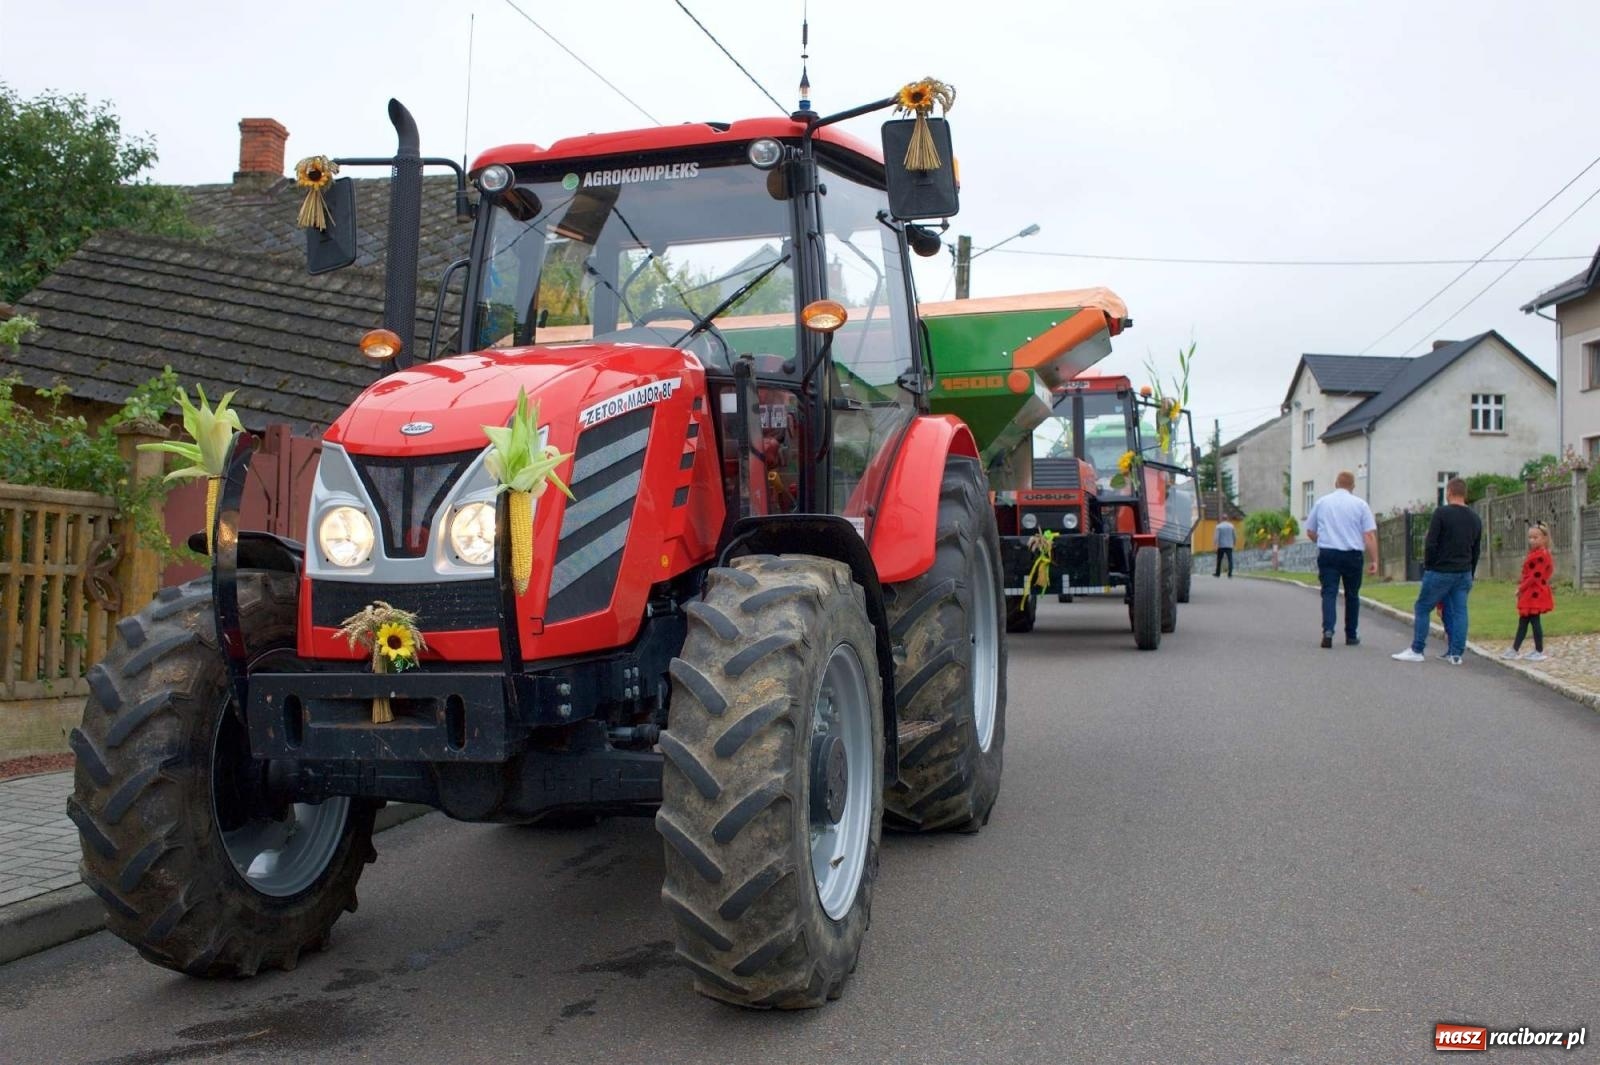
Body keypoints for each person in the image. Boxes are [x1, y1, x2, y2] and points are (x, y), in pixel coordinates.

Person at [1392, 477, 1482, 665]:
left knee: (1423, 607)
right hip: (1464, 571)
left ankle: (1417, 649)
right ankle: (1456, 653)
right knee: (1459, 611)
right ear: (1465, 494)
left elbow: (1431, 542)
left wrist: (1430, 565)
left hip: (1441, 570)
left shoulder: (1441, 513)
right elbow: (1476, 549)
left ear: (1449, 492)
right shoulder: (1475, 518)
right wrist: (1471, 572)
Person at [1305, 471, 1379, 648]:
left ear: (1336, 484)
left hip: (1329, 552)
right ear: (1353, 486)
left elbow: (1310, 530)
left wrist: (1321, 541)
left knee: (1329, 592)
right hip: (1352, 554)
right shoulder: (1360, 505)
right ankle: (1351, 634)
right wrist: (1375, 560)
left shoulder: (1322, 502)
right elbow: (1369, 534)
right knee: (1352, 595)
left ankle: (1328, 630)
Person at [1502, 521, 1555, 662]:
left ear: (1544, 538)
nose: (1532, 540)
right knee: (1525, 621)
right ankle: (1516, 649)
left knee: (1533, 620)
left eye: (1535, 537)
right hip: (1531, 592)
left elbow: (1535, 576)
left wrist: (1521, 587)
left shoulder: (1542, 555)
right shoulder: (1536, 553)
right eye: (1530, 537)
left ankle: (1536, 650)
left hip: (1534, 593)